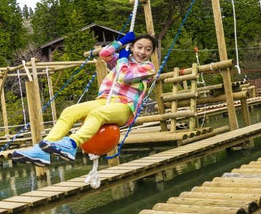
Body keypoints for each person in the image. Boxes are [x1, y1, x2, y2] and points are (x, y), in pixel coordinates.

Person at [12, 32, 157, 166]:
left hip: (125, 107)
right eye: (139, 47)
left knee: (97, 114)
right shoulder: (121, 59)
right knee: (70, 111)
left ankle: (72, 144)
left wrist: (124, 58)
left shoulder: (148, 68)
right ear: (132, 47)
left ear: (151, 53)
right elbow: (105, 54)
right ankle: (41, 152)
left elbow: (124, 76)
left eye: (148, 49)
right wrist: (121, 42)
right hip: (105, 99)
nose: (143, 52)